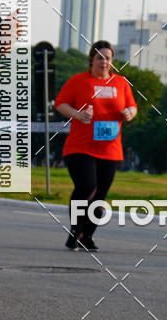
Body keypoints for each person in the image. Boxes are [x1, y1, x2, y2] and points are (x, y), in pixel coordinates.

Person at [55, 40, 137, 252]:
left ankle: (87, 235)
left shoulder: (120, 83)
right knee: (86, 186)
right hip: (80, 147)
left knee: (99, 195)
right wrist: (78, 114)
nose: (104, 61)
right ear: (91, 59)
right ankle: (76, 228)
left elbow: (131, 106)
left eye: (108, 58)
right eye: (100, 57)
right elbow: (61, 104)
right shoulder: (79, 81)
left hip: (110, 149)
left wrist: (129, 113)